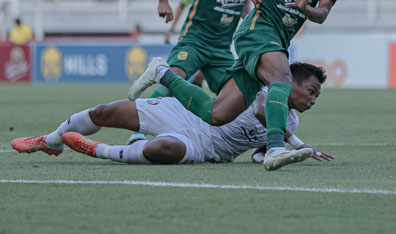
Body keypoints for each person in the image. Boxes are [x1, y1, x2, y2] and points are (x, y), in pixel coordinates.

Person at [130, 0, 342, 170]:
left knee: (217, 113)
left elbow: (322, 15)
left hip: (267, 42)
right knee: (282, 79)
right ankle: (274, 149)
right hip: (255, 32)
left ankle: (161, 73)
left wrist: (306, 8)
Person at [12, 62, 333, 166]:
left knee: (159, 150)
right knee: (104, 111)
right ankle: (50, 140)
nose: (313, 100)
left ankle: (98, 150)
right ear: (289, 83)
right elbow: (263, 112)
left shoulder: (291, 120)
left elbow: (260, 154)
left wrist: (265, 155)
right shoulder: (266, 96)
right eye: (311, 91)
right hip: (185, 116)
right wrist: (298, 144)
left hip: (208, 149)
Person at [124, 0, 260, 145]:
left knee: (237, 94)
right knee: (174, 76)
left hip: (221, 49)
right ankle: (138, 131)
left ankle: (257, 142)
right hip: (195, 40)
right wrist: (163, 0)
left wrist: (248, 17)